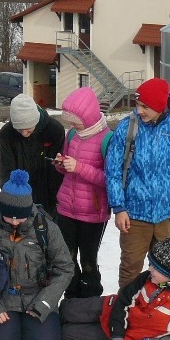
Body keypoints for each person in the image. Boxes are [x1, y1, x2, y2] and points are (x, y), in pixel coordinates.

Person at [104, 77, 170, 288]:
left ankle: (155, 305)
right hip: (133, 216)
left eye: (146, 106)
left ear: (160, 106)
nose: (139, 110)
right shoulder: (127, 128)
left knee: (163, 269)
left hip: (164, 215)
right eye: (138, 104)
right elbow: (112, 169)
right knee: (130, 268)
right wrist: (119, 207)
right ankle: (126, 305)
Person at [0, 170, 72, 340]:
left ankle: (31, 327)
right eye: (9, 216)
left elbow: (65, 268)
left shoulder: (46, 228)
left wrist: (44, 303)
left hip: (37, 295)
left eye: (19, 217)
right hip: (2, 298)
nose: (14, 222)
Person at [53, 87, 112, 298]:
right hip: (67, 208)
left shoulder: (107, 139)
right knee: (67, 259)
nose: (72, 125)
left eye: (76, 120)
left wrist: (79, 167)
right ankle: (71, 299)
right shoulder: (72, 135)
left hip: (93, 212)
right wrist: (61, 164)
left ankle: (90, 299)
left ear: (87, 117)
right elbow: (66, 170)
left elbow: (109, 179)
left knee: (88, 261)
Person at [0, 92, 64, 214]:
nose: (24, 134)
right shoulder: (7, 134)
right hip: (19, 196)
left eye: (28, 129)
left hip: (48, 196)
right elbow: (6, 169)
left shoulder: (54, 130)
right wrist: (10, 195)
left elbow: (57, 171)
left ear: (36, 121)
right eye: (19, 130)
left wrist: (56, 198)